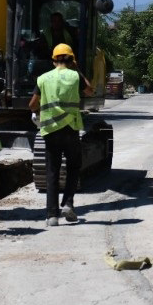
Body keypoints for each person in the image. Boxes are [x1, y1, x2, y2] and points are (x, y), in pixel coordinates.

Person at [29, 42, 93, 226]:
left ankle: (51, 216)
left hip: (50, 130)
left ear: (53, 60)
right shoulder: (74, 76)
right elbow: (90, 90)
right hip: (71, 129)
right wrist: (78, 69)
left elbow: (32, 105)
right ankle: (68, 204)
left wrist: (41, 111)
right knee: (73, 167)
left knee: (52, 171)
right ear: (72, 60)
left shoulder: (43, 78)